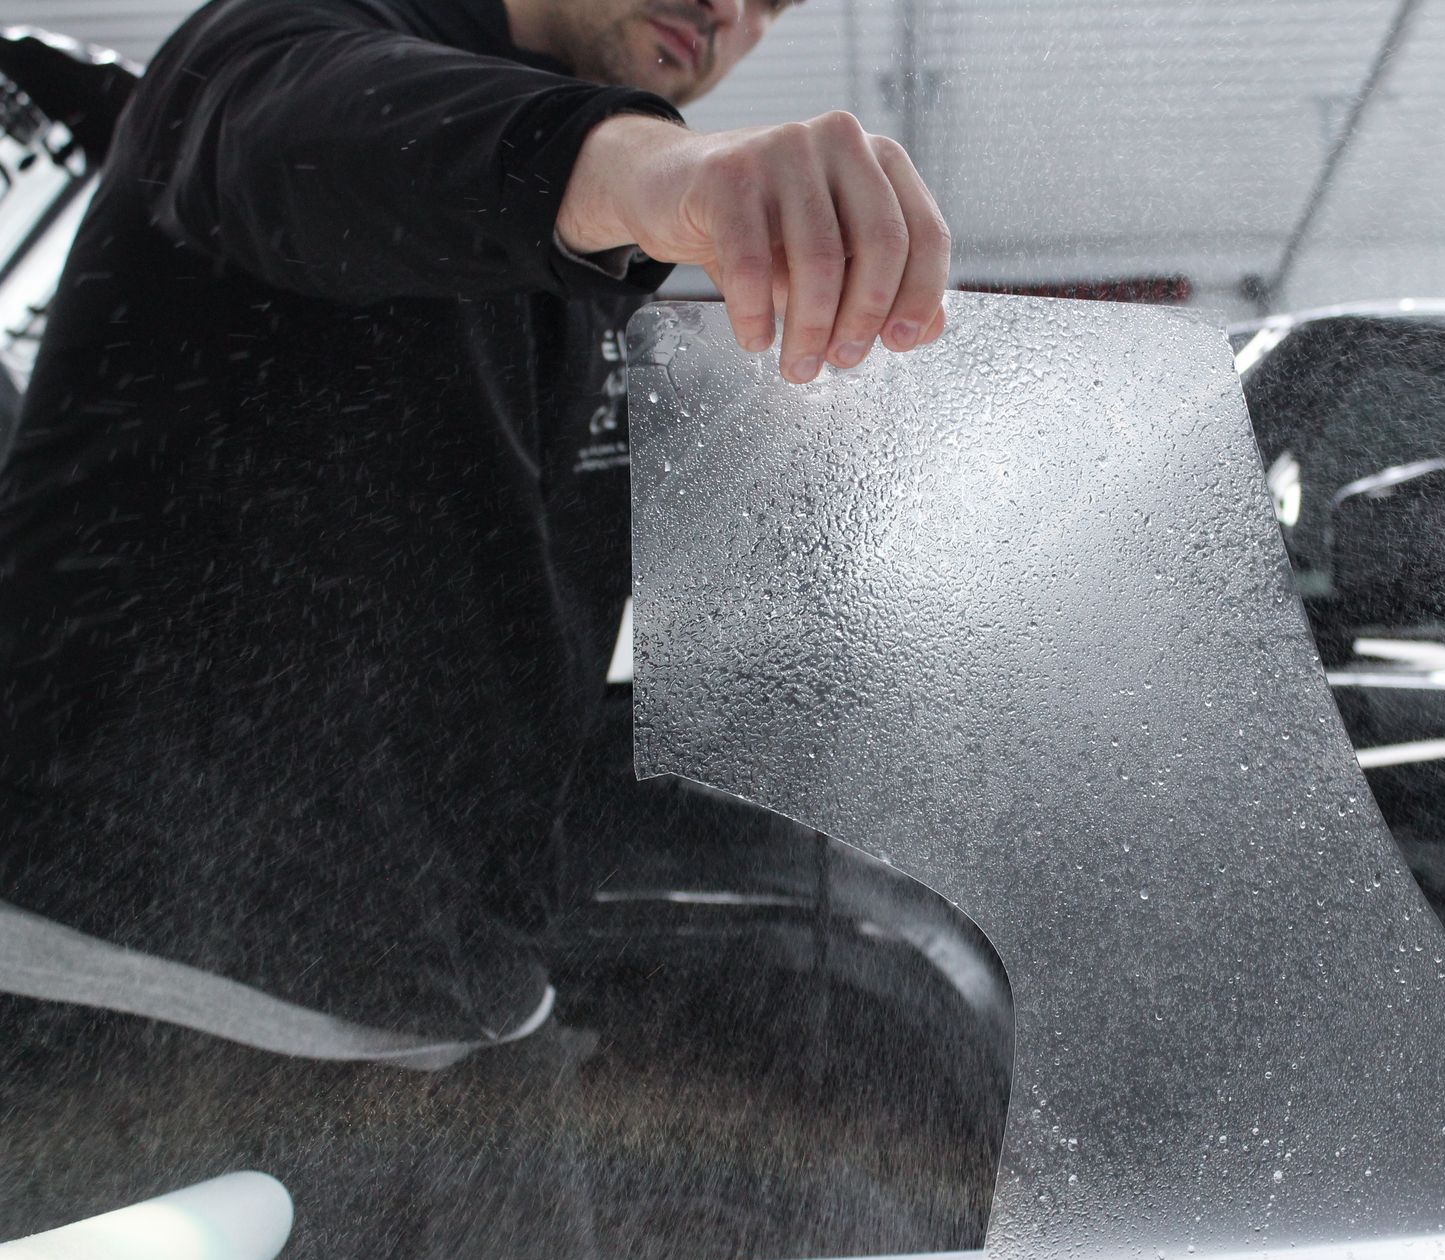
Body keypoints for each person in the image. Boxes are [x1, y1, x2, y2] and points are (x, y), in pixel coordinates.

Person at [0, 0, 951, 1063]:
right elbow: (322, 131)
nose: (729, 7)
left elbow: (512, 653)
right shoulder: (277, 46)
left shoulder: (585, 265)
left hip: (444, 1017)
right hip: (118, 996)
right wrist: (661, 173)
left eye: (776, 2)